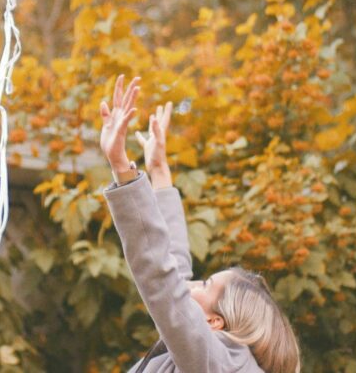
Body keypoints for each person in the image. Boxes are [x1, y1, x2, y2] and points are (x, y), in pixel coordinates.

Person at [99, 75, 302, 373]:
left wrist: (121, 166)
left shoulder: (214, 364)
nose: (189, 286)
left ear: (212, 321)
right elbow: (172, 268)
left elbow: (162, 278)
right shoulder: (214, 361)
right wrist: (158, 171)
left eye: (204, 285)